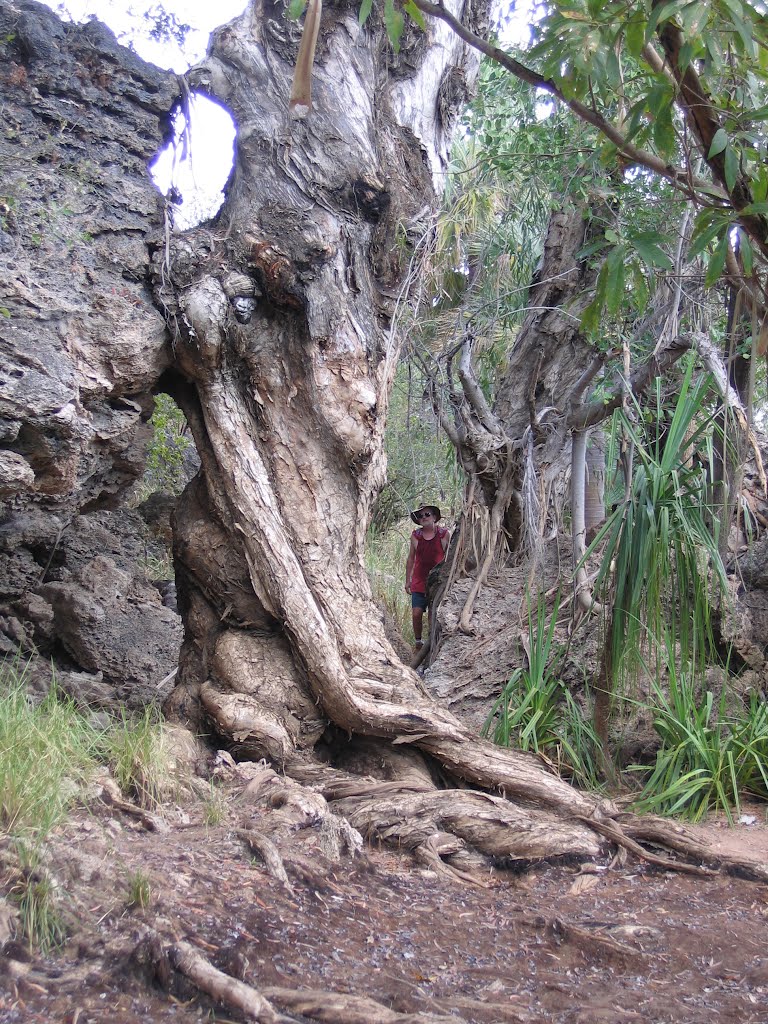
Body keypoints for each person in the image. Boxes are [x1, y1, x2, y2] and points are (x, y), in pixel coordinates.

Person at [405, 503, 450, 649]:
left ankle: (431, 645)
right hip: (419, 580)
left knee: (433, 614)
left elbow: (449, 557)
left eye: (427, 514)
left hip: (436, 581)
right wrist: (408, 580)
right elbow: (411, 558)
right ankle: (418, 642)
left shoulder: (443, 534)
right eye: (421, 516)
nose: (424, 518)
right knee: (416, 613)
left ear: (434, 517)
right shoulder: (416, 536)